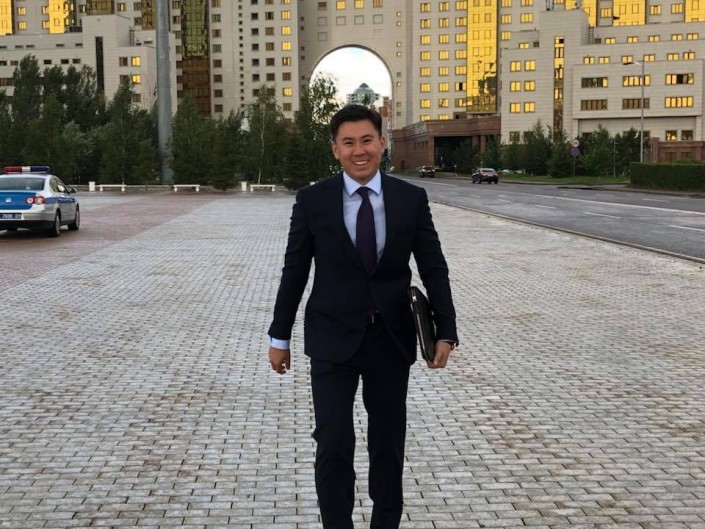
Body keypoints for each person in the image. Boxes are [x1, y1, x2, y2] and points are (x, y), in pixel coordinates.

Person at [268, 104, 458, 529]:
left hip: (390, 340)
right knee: (333, 440)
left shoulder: (410, 199)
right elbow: (294, 270)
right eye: (349, 142)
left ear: (382, 143)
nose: (360, 150)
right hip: (331, 339)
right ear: (335, 149)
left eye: (367, 140)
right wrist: (279, 337)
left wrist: (446, 330)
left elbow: (433, 266)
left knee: (387, 444)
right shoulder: (312, 201)